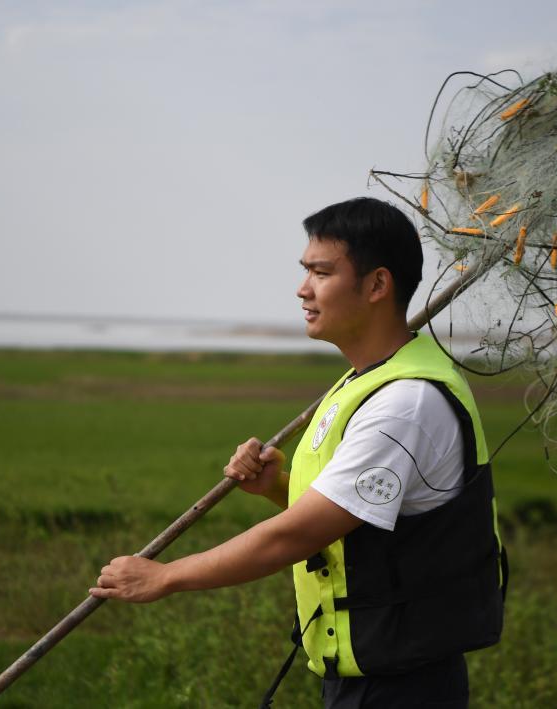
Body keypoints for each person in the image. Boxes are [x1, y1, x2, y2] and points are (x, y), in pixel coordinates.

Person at [89, 197, 507, 708]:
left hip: (403, 684)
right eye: (305, 270)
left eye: (322, 272)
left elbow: (299, 534)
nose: (303, 289)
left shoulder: (405, 403)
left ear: (377, 285)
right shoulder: (362, 383)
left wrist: (165, 576)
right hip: (365, 671)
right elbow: (355, 518)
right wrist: (277, 487)